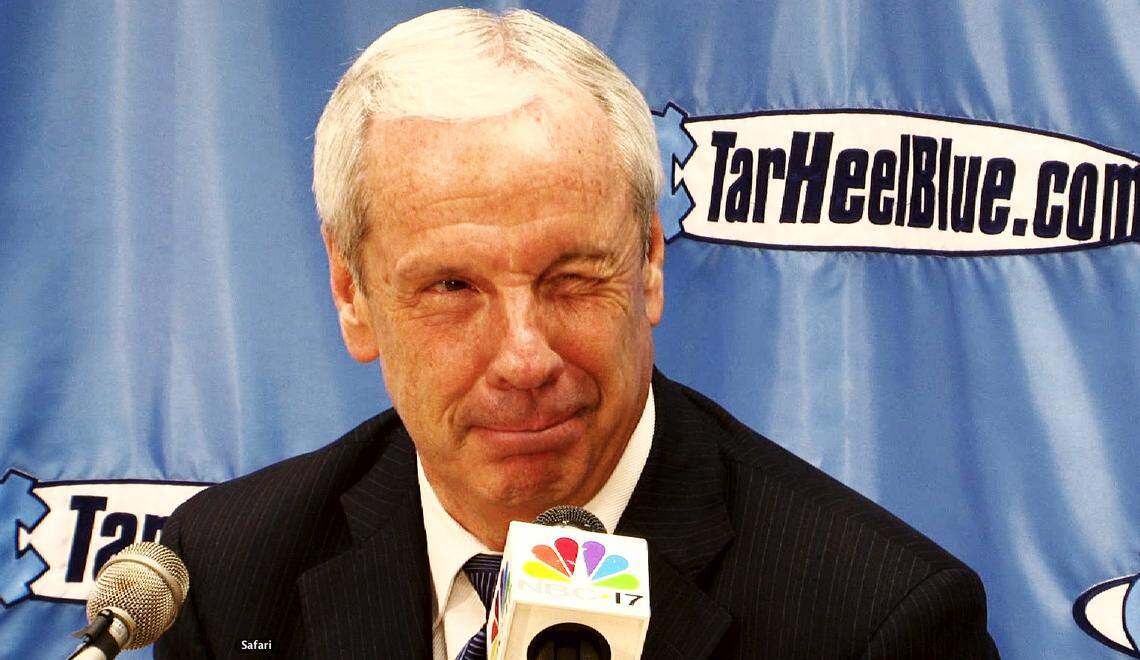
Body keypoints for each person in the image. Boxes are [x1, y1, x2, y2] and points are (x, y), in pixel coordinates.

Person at [156, 8, 998, 659]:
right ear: (353, 296)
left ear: (650, 265)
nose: (524, 358)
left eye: (571, 279)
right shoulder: (232, 573)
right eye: (453, 286)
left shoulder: (873, 622)